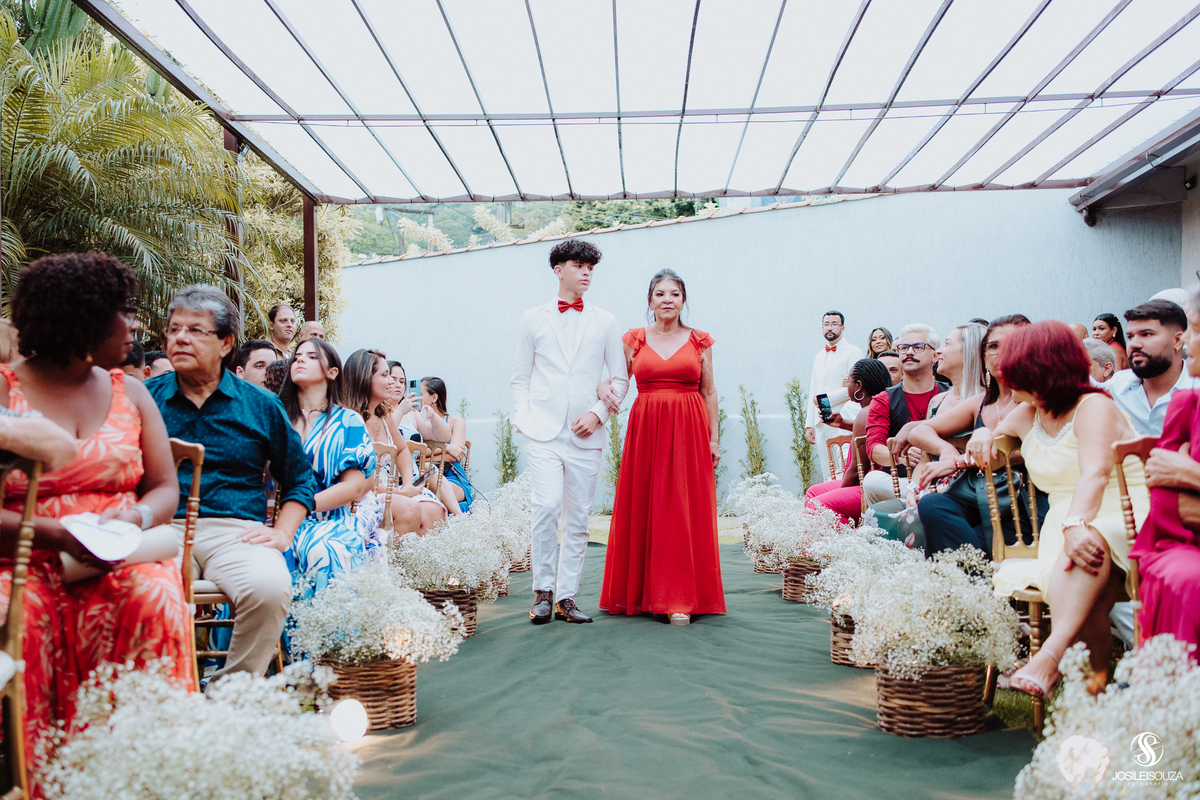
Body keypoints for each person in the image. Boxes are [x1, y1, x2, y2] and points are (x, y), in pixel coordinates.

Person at [0, 252, 192, 777]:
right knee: (23, 619)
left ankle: (151, 769)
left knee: (154, 598)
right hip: (23, 558)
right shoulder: (4, 390)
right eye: (121, 313)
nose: (133, 325)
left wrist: (134, 520)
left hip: (118, 555)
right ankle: (42, 774)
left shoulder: (132, 392)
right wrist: (58, 535)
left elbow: (164, 487)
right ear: (81, 319)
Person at [147, 285, 318, 681]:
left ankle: (233, 693)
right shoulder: (145, 399)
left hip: (235, 532)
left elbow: (299, 479)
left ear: (226, 343)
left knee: (270, 587)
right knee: (142, 589)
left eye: (195, 330)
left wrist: (282, 533)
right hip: (162, 528)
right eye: (174, 330)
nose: (180, 338)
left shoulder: (259, 404)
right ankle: (162, 694)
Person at [973, 320, 1148, 697]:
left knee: (1088, 543)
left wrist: (1075, 523)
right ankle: (1093, 695)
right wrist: (982, 432)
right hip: (1065, 518)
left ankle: (1049, 657)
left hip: (1121, 508)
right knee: (1091, 589)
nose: (1006, 381)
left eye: (1015, 373)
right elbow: (996, 433)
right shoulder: (1028, 412)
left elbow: (1096, 473)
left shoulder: (1094, 406)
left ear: (1042, 371)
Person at [511, 239, 629, 625]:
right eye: (579, 266)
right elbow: (520, 377)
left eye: (590, 268)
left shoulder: (605, 320)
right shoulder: (532, 318)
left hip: (585, 434)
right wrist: (523, 418)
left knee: (578, 517)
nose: (586, 273)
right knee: (546, 506)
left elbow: (620, 379)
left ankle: (566, 597)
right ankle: (542, 592)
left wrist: (598, 414)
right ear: (558, 270)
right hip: (541, 431)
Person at [600, 269, 723, 625]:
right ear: (650, 300)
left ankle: (680, 597)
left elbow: (709, 391)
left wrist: (714, 439)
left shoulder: (699, 341)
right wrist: (601, 389)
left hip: (689, 430)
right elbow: (616, 381)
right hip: (647, 431)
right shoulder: (633, 340)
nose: (667, 299)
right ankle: (639, 594)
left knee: (683, 509)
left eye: (675, 294)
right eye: (660, 294)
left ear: (683, 301)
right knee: (644, 505)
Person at [906, 315, 1035, 557]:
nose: (1000, 353)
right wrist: (946, 450)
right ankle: (970, 571)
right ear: (983, 356)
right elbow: (918, 431)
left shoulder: (1035, 400)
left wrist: (960, 461)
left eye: (1011, 344)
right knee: (932, 505)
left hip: (1018, 496)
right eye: (993, 346)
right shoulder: (982, 402)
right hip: (973, 491)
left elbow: (1035, 449)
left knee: (956, 540)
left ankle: (966, 573)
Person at [1133, 286, 1200, 662]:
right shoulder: (1187, 406)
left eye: (1196, 329)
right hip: (1181, 547)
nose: (1186, 341)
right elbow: (1174, 512)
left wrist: (1190, 472)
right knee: (1188, 579)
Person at [278, 339, 374, 596]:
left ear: (332, 372)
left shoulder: (348, 421)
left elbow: (353, 488)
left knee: (325, 550)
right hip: (272, 516)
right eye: (297, 356)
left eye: (312, 356)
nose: (300, 359)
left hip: (325, 518)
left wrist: (301, 506)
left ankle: (322, 622)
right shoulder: (275, 415)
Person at [342, 349, 444, 549]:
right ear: (364, 378)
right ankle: (393, 566)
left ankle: (421, 567)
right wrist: (400, 492)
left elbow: (402, 450)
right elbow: (359, 478)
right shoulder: (348, 418)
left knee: (434, 511)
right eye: (385, 375)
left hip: (390, 489)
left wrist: (408, 483)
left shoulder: (384, 414)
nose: (392, 382)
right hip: (360, 495)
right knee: (409, 508)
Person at [861, 324, 947, 504]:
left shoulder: (950, 394)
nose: (909, 352)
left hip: (943, 478)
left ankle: (925, 495)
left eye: (918, 347)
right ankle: (919, 495)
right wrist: (902, 456)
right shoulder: (883, 399)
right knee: (872, 481)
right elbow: (874, 448)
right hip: (901, 481)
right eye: (903, 347)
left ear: (935, 355)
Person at [804, 358, 893, 523]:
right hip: (873, 481)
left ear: (859, 385)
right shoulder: (878, 407)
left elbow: (856, 471)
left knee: (820, 504)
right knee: (813, 492)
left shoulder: (865, 413)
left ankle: (840, 538)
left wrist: (838, 493)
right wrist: (843, 423)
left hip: (870, 486)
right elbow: (870, 430)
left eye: (849, 382)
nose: (847, 387)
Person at [386, 361, 464, 515]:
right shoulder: (376, 412)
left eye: (402, 381)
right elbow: (386, 435)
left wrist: (432, 415)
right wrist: (400, 411)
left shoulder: (412, 414)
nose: (398, 385)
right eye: (393, 379)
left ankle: (460, 517)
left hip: (414, 478)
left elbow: (444, 436)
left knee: (431, 469)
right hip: (388, 480)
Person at [1107, 300, 1194, 436]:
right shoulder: (1116, 388)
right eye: (1130, 337)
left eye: (1146, 334)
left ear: (1178, 340)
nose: (1133, 344)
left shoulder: (1195, 388)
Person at [805, 311, 864, 477]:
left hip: (842, 418)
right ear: (822, 327)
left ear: (842, 328)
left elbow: (856, 387)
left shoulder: (853, 352)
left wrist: (824, 400)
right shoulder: (819, 355)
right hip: (820, 420)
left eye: (834, 324)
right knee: (827, 470)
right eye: (826, 324)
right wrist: (809, 424)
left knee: (842, 467)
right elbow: (814, 388)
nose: (830, 328)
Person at [419, 376, 474, 513]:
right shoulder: (417, 422)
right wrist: (447, 448)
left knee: (433, 490)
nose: (417, 398)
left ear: (434, 397)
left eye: (420, 394)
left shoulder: (456, 422)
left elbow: (454, 456)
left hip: (452, 477)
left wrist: (423, 457)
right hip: (423, 476)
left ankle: (459, 518)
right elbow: (413, 454)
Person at [928, 322, 986, 417]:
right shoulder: (936, 402)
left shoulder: (991, 404)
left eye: (947, 344)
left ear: (970, 352)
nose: (937, 351)